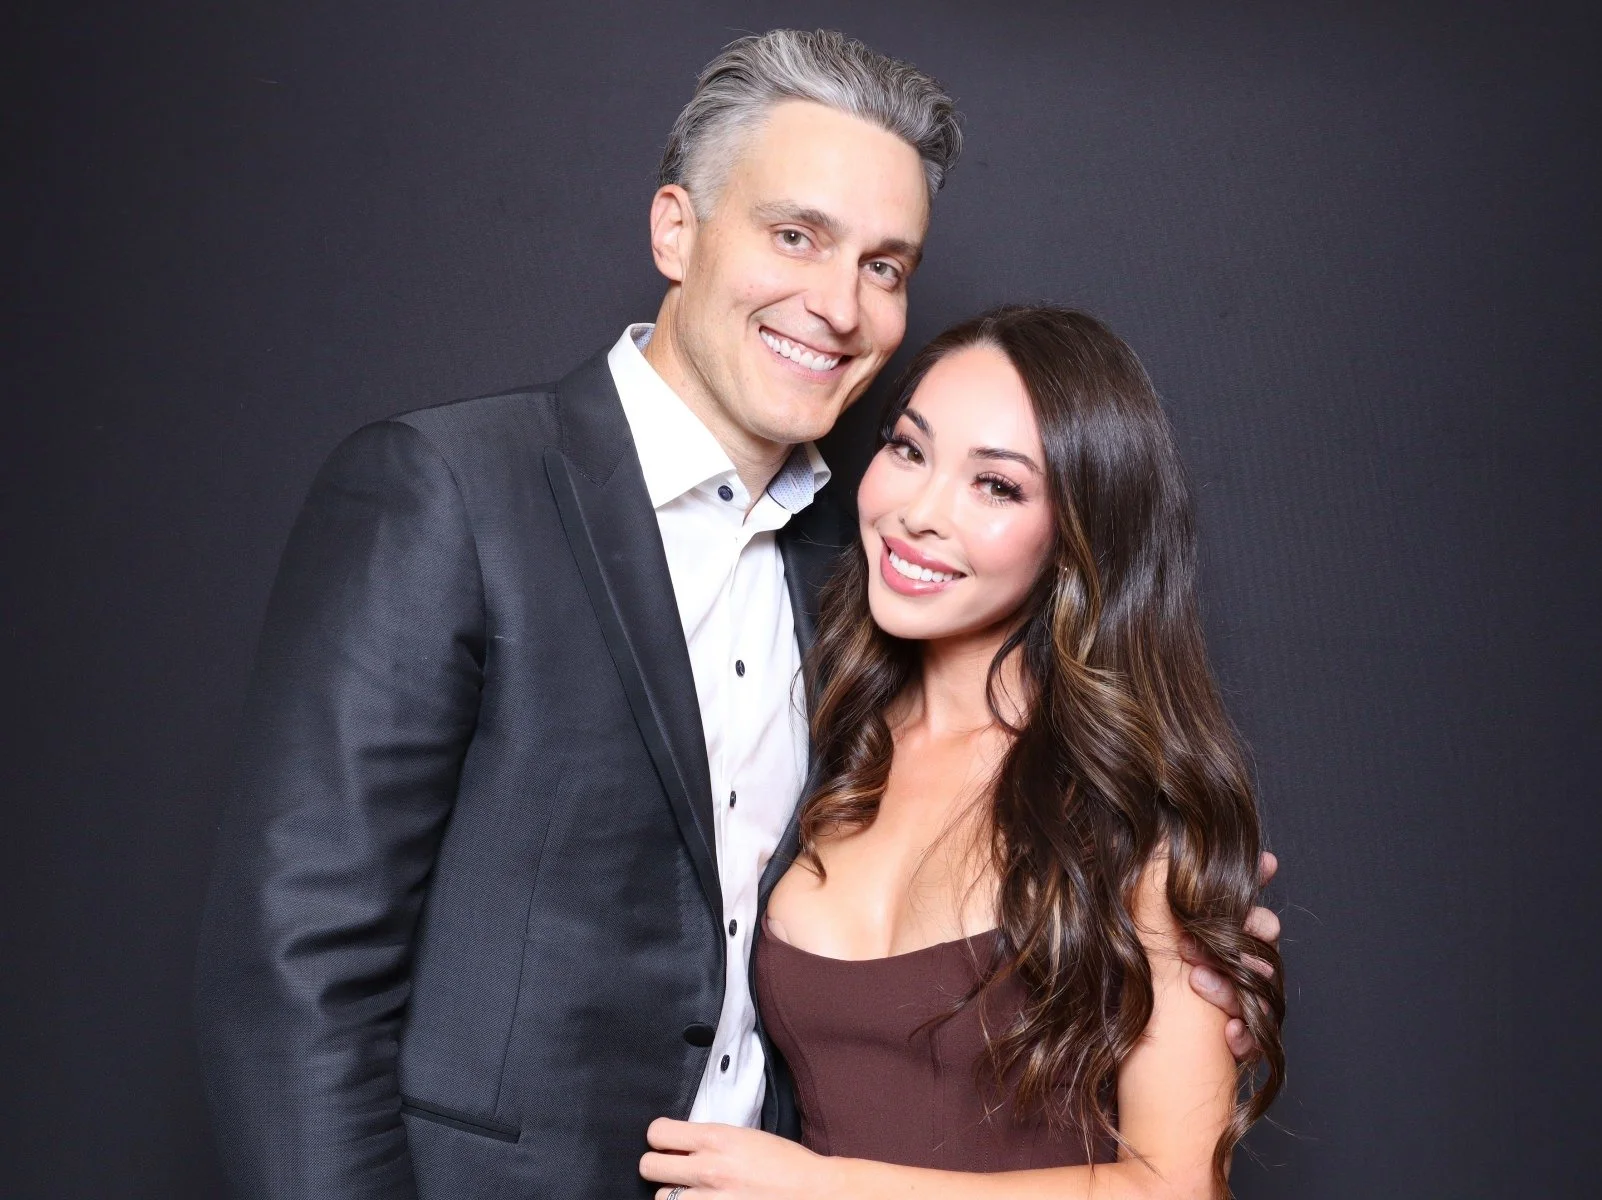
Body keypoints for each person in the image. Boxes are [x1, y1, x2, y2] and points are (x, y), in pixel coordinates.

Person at [194, 30, 1279, 1199]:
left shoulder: (856, 582)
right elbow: (298, 965)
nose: (838, 304)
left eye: (885, 265)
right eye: (796, 235)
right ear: (676, 228)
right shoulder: (451, 492)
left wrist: (1162, 929)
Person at [639, 306, 1283, 1200]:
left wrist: (826, 1192)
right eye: (909, 449)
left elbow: (1177, 1189)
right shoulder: (818, 734)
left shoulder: (1132, 810)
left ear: (1076, 537)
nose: (919, 513)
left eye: (997, 487)